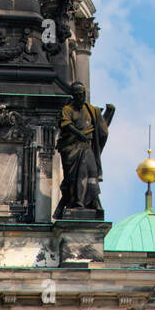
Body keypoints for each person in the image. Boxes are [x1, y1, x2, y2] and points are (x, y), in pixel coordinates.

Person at [55, 82, 114, 219]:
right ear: (73, 96)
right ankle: (79, 202)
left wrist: (109, 113)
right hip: (72, 148)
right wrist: (79, 134)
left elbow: (101, 130)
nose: (80, 97)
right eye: (77, 95)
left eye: (82, 94)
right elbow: (66, 124)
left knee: (91, 172)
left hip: (87, 146)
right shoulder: (68, 109)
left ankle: (93, 201)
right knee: (78, 175)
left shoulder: (91, 110)